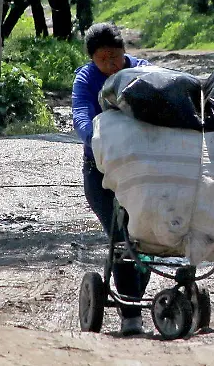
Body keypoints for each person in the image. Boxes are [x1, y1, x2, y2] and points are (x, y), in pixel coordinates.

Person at [71, 23, 152, 335]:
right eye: (103, 59)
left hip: (142, 173)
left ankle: (133, 298)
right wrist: (99, 140)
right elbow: (80, 115)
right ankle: (132, 313)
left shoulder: (144, 73)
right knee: (122, 237)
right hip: (101, 173)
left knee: (146, 237)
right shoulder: (86, 79)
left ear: (124, 52)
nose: (111, 65)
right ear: (92, 58)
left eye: (116, 57)